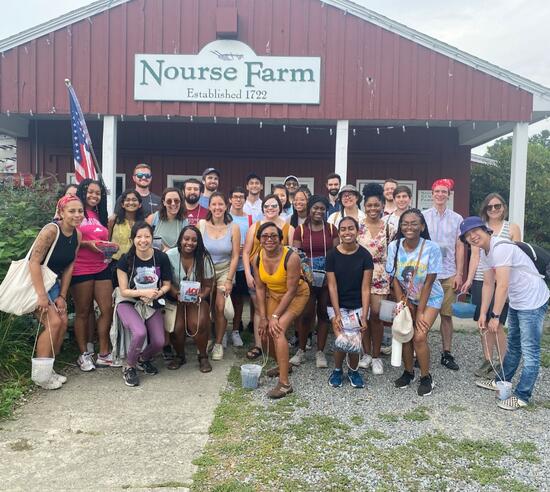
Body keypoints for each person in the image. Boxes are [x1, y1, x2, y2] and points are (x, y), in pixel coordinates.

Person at [460, 216, 549, 410]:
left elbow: (503, 284)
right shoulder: (486, 252)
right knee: (514, 345)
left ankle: (522, 395)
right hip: (518, 300)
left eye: (475, 231)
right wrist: (483, 313)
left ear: (486, 230)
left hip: (533, 300)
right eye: (467, 235)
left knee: (530, 350)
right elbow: (488, 283)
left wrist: (496, 316)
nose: (472, 236)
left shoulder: (500, 248)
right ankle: (502, 379)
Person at [461, 193, 521, 378]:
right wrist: (469, 279)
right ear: (485, 209)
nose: (494, 209)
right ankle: (488, 359)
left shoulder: (511, 228)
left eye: (497, 206)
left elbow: (518, 253)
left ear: (503, 207)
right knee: (484, 321)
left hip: (503, 281)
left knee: (498, 323)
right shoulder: (478, 229)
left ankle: (503, 361)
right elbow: (475, 257)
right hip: (483, 279)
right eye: (490, 207)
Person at [386, 209, 443, 397]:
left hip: (431, 298)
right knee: (406, 333)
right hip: (406, 297)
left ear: (422, 226)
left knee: (419, 336)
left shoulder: (431, 248)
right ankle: (408, 372)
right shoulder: (394, 246)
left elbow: (429, 281)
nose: (409, 227)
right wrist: (402, 300)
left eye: (414, 223)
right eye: (405, 223)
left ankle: (426, 377)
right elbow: (393, 277)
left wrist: (419, 311)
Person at [29, 195, 83, 389]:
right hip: (36, 282)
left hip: (53, 284)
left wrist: (61, 296)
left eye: (80, 211)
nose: (77, 215)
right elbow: (33, 262)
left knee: (61, 322)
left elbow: (69, 266)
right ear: (61, 213)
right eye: (72, 211)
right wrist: (41, 295)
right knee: (53, 323)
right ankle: (41, 377)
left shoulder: (77, 235)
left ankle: (48, 369)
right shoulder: (51, 230)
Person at [253, 222, 310, 398]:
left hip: (297, 295)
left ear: (280, 239)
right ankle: (283, 364)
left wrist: (275, 316)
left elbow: (292, 290)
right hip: (275, 296)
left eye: (273, 236)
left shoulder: (291, 257)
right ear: (259, 239)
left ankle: (284, 384)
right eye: (265, 236)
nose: (269, 239)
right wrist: (263, 317)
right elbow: (260, 289)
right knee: (264, 333)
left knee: (277, 330)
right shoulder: (257, 257)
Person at [116, 222, 172, 387]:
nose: (143, 240)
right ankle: (129, 366)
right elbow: (124, 291)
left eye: (147, 236)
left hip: (152, 300)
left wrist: (157, 293)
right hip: (129, 301)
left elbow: (167, 284)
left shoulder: (161, 257)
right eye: (139, 236)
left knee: (159, 341)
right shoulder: (125, 260)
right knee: (139, 333)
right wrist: (143, 293)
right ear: (132, 239)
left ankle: (143, 358)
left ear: (152, 238)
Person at [71, 179, 117, 371]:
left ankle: (104, 353)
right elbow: (68, 237)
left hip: (101, 266)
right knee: (83, 311)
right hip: (80, 267)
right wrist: (87, 245)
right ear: (83, 192)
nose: (94, 196)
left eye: (98, 193)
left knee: (107, 309)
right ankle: (84, 354)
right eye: (90, 192)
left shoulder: (100, 214)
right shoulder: (77, 212)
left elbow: (102, 239)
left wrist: (110, 247)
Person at [243, 194, 294, 360]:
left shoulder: (288, 229)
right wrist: (248, 273)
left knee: (276, 312)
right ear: (262, 208)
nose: (270, 209)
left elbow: (291, 254)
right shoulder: (255, 226)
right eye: (266, 206)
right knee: (259, 309)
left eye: (274, 206)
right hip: (258, 276)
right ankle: (259, 345)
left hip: (279, 279)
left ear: (280, 207)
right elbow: (245, 252)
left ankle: (276, 344)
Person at [291, 195, 339, 368]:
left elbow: (335, 254)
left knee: (324, 315)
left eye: (322, 208)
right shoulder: (300, 230)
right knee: (305, 315)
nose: (318, 211)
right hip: (307, 279)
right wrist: (307, 276)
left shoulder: (332, 230)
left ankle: (320, 352)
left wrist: (329, 275)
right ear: (309, 209)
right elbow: (297, 255)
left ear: (326, 210)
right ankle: (301, 350)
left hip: (327, 278)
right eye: (315, 208)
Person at [326, 216, 373, 389]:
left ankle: (353, 371)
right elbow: (332, 286)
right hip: (337, 304)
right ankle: (338, 370)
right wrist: (337, 314)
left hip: (358, 305)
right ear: (339, 233)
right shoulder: (331, 255)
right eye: (343, 229)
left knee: (354, 340)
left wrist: (365, 315)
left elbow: (366, 288)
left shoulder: (365, 255)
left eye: (351, 228)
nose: (347, 232)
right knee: (342, 339)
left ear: (357, 230)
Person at [422, 178, 464, 371]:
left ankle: (446, 353)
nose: (440, 195)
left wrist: (459, 273)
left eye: (444, 192)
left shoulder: (457, 219)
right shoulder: (424, 216)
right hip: (427, 274)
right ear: (432, 194)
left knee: (446, 315)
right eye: (437, 191)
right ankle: (419, 350)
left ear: (449, 195)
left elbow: (459, 246)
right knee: (422, 314)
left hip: (447, 272)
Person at [357, 183, 397, 374]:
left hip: (381, 275)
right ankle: (365, 353)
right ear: (364, 206)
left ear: (382, 205)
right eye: (369, 205)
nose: (373, 209)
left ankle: (376, 356)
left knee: (377, 315)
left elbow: (395, 253)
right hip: (360, 275)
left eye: (376, 205)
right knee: (362, 315)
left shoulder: (390, 228)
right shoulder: (357, 226)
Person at [166, 226, 215, 373]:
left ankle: (203, 356)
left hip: (197, 300)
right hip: (176, 298)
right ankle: (180, 355)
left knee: (198, 323)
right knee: (176, 327)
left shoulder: (203, 257)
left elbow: (208, 285)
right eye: (186, 239)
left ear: (198, 242)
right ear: (180, 240)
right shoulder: (170, 255)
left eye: (194, 240)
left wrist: (200, 296)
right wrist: (177, 294)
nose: (190, 242)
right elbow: (166, 281)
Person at [198, 192, 240, 360]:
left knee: (220, 307)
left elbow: (236, 255)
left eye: (220, 204)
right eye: (214, 204)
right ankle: (208, 338)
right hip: (205, 271)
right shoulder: (202, 225)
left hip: (224, 271)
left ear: (226, 206)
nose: (217, 208)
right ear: (209, 206)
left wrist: (230, 279)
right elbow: (196, 251)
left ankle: (218, 343)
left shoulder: (233, 227)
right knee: (205, 308)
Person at [228, 186, 253, 344]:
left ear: (245, 199)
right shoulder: (226, 217)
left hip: (243, 266)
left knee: (238, 300)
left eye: (241, 197)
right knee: (223, 300)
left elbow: (252, 241)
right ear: (230, 199)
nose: (238, 199)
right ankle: (222, 331)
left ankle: (236, 330)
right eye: (235, 197)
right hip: (227, 264)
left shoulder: (249, 219)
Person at [109, 190, 145, 268]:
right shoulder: (113, 220)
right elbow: (107, 241)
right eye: (127, 200)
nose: (131, 203)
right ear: (122, 204)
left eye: (134, 200)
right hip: (116, 263)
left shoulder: (143, 223)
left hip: (137, 263)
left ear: (140, 204)